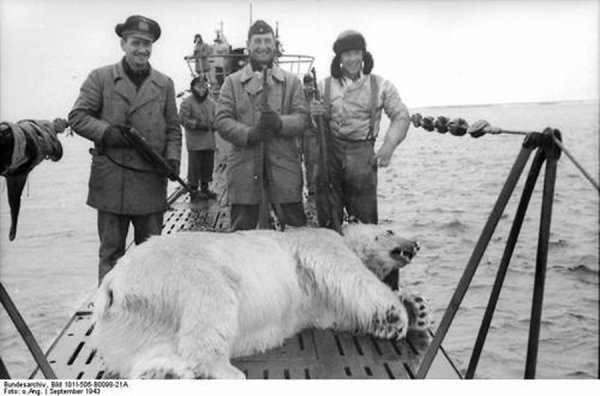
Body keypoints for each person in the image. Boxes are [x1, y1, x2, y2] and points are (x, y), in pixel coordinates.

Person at [68, 15, 182, 284]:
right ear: (123, 43)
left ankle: (150, 314)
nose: (142, 49)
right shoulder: (101, 78)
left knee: (152, 255)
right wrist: (108, 133)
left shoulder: (164, 84)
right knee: (111, 254)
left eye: (148, 44)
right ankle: (110, 315)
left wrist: (173, 158)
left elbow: (174, 130)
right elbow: (78, 116)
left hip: (150, 179)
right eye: (136, 43)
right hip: (112, 181)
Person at [310, 30, 410, 287]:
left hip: (361, 157)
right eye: (347, 53)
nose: (353, 58)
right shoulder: (323, 85)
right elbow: (308, 124)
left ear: (364, 55)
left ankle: (372, 286)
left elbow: (401, 116)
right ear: (339, 57)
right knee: (328, 226)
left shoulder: (381, 85)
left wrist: (388, 146)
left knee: (367, 227)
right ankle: (333, 284)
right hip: (329, 155)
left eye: (357, 52)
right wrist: (313, 113)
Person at [215, 20, 310, 230]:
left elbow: (303, 118)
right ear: (248, 45)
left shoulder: (292, 83)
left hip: (284, 172)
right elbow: (222, 120)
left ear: (275, 45)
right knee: (243, 239)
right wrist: (249, 133)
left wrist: (280, 123)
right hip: (245, 173)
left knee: (296, 234)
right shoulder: (231, 82)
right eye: (257, 41)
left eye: (268, 40)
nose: (263, 46)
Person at [179, 76, 217, 199]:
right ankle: (193, 189)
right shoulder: (187, 102)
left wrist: (217, 125)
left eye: (205, 87)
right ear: (193, 88)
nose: (202, 90)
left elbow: (217, 118)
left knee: (208, 165)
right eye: (199, 87)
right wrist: (198, 125)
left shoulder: (211, 103)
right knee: (194, 167)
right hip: (195, 141)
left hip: (209, 140)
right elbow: (183, 119)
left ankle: (205, 188)